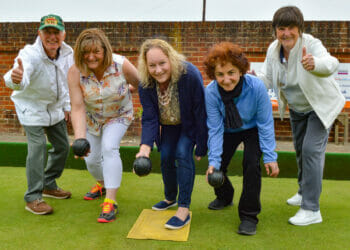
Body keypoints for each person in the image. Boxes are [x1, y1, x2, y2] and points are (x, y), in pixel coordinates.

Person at [256, 6, 345, 226]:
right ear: (275, 30)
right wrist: (251, 79)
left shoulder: (311, 44)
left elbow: (331, 63)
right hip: (297, 107)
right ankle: (303, 191)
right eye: (281, 28)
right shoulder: (273, 49)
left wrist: (315, 64)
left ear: (300, 28)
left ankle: (311, 209)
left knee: (310, 150)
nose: (286, 33)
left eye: (291, 28)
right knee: (300, 150)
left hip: (319, 106)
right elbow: (267, 79)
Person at [204, 42, 279, 235]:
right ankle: (225, 196)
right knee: (218, 166)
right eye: (220, 74)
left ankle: (248, 216)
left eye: (231, 72)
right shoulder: (211, 92)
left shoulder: (256, 87)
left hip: (252, 128)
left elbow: (265, 123)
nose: (226, 80)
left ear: (241, 71)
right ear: (214, 75)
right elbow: (214, 129)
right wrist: (213, 161)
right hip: (227, 129)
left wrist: (270, 156)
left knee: (251, 164)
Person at [67, 28, 139, 223]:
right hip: (92, 119)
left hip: (119, 115)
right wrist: (80, 138)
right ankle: (102, 185)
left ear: (104, 50)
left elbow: (142, 83)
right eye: (86, 53)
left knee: (109, 147)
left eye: (96, 51)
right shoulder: (75, 72)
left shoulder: (121, 65)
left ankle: (111, 201)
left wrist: (130, 90)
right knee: (90, 160)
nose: (91, 57)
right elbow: (77, 106)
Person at [4, 14, 73, 215]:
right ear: (40, 34)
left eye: (56, 32)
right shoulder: (30, 54)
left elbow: (67, 82)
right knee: (38, 148)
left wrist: (67, 106)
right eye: (47, 32)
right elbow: (18, 76)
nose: (52, 37)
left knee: (62, 146)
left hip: (54, 109)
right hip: (31, 108)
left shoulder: (67, 53)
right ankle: (33, 197)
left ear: (63, 34)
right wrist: (15, 79)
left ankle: (48, 183)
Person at [136, 38, 208, 230]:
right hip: (168, 125)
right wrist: (144, 148)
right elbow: (150, 118)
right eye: (152, 65)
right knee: (166, 155)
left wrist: (202, 145)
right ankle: (170, 198)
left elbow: (201, 112)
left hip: (189, 124)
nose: (158, 70)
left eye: (162, 63)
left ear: (171, 59)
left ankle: (183, 209)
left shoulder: (189, 75)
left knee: (183, 154)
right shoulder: (145, 83)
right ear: (146, 66)